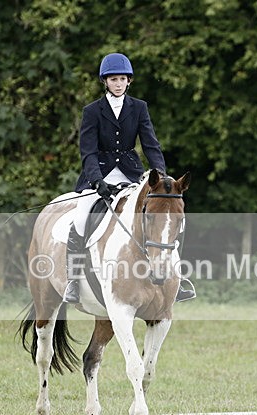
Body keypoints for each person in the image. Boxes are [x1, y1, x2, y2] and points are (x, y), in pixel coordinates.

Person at [64, 52, 195, 304]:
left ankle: (177, 280)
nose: (118, 83)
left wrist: (162, 177)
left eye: (122, 79)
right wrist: (96, 180)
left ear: (129, 81)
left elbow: (151, 145)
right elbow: (88, 151)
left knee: (173, 220)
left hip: (131, 173)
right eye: (113, 79)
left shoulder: (139, 107)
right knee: (80, 218)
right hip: (100, 174)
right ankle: (73, 280)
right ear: (105, 82)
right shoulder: (92, 111)